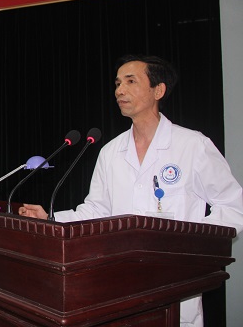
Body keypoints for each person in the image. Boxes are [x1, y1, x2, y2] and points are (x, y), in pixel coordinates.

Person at [18, 54, 243, 327]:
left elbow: (233, 206)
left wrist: (191, 247)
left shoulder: (192, 145)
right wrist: (51, 219)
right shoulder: (111, 151)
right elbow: (96, 210)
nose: (119, 90)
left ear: (158, 90)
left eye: (130, 81)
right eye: (117, 83)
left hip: (173, 284)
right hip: (118, 286)